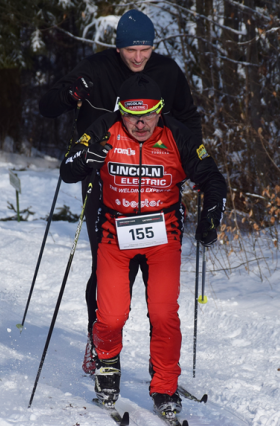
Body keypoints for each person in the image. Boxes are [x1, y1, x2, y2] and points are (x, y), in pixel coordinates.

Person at [39, 9, 202, 375]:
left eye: (145, 49)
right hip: (104, 179)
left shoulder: (167, 72)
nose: (139, 57)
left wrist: (189, 161)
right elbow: (46, 106)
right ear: (118, 48)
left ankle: (157, 355)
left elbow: (189, 119)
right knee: (109, 266)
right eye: (131, 50)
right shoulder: (95, 69)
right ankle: (99, 343)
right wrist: (69, 93)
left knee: (155, 269)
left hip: (156, 180)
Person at [60, 74, 227, 418]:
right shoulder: (104, 127)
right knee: (111, 314)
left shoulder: (178, 135)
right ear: (120, 110)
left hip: (162, 233)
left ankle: (165, 387)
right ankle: (107, 365)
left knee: (164, 313)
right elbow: (68, 168)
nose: (139, 123)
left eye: (148, 114)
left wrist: (211, 216)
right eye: (131, 114)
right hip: (114, 230)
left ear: (160, 110)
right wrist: (83, 160)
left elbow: (212, 178)